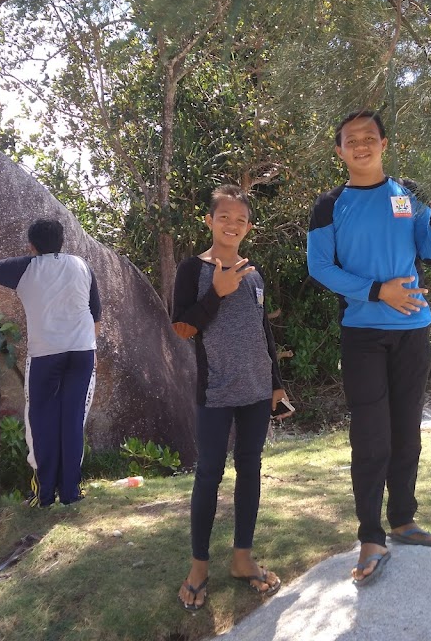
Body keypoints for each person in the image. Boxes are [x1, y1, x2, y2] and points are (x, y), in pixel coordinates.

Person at [306, 110, 431, 587]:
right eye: (352, 139)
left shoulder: (406, 193)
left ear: (384, 144)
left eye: (370, 137)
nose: (361, 144)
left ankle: (403, 519)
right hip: (363, 333)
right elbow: (319, 267)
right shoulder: (329, 205)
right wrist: (377, 292)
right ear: (340, 151)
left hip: (413, 328)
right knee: (372, 436)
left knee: (407, 430)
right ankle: (371, 535)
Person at [171, 184, 291, 612]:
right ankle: (198, 568)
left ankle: (243, 559)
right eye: (224, 217)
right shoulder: (192, 270)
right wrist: (216, 293)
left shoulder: (253, 273)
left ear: (249, 227)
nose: (232, 225)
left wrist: (276, 382)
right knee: (208, 474)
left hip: (257, 391)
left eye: (240, 220)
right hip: (216, 391)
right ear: (209, 221)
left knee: (250, 469)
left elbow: (263, 330)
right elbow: (182, 328)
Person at [0, 218, 101, 508]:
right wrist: (89, 348)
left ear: (31, 246)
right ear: (62, 241)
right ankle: (71, 492)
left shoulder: (26, 267)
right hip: (82, 351)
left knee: (41, 421)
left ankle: (45, 494)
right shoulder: (82, 265)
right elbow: (96, 314)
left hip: (46, 354)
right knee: (72, 420)